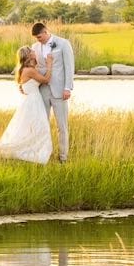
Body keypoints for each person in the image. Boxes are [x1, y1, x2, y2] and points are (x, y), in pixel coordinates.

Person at [30, 23, 74, 162]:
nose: (38, 40)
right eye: (36, 38)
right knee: (42, 124)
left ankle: (63, 157)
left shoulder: (63, 43)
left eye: (40, 37)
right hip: (42, 90)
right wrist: (27, 84)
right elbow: (32, 67)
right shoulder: (35, 47)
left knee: (62, 126)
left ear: (46, 32)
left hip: (60, 90)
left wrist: (67, 88)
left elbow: (69, 66)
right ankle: (44, 155)